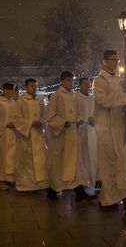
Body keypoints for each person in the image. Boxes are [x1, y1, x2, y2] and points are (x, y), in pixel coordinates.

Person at [93, 50, 126, 212]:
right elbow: (102, 101)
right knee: (110, 163)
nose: (115, 63)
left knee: (120, 162)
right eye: (112, 60)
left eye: (117, 60)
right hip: (106, 127)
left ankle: (116, 198)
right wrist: (121, 93)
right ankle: (113, 199)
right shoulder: (99, 81)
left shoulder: (120, 80)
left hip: (118, 126)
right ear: (105, 61)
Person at [45, 71, 95, 201]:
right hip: (61, 135)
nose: (70, 83)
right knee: (59, 163)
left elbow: (76, 113)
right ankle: (53, 189)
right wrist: (62, 122)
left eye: (72, 80)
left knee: (76, 162)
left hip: (73, 134)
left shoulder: (73, 96)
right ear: (62, 81)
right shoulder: (56, 96)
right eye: (68, 80)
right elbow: (49, 116)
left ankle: (79, 191)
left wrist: (78, 120)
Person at [12, 78, 49, 193]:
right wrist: (30, 123)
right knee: (26, 161)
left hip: (38, 135)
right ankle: (24, 185)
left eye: (35, 86)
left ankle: (41, 184)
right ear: (26, 87)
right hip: (26, 136)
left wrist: (42, 122)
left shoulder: (40, 101)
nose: (34, 88)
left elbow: (45, 116)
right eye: (31, 86)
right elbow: (16, 119)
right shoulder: (20, 102)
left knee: (41, 160)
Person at [0, 83, 18, 190]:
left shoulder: (14, 103)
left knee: (12, 157)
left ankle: (10, 178)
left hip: (13, 134)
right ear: (5, 91)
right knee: (2, 157)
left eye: (13, 90)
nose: (13, 93)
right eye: (11, 90)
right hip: (2, 134)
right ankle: (1, 180)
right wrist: (5, 124)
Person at [76, 77, 99, 196]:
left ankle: (94, 179)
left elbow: (95, 113)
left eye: (88, 84)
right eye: (84, 84)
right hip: (82, 132)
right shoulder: (76, 98)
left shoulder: (92, 99)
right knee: (83, 157)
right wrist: (81, 120)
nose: (87, 86)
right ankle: (83, 181)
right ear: (80, 85)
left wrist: (94, 119)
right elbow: (75, 113)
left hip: (92, 131)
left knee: (93, 156)